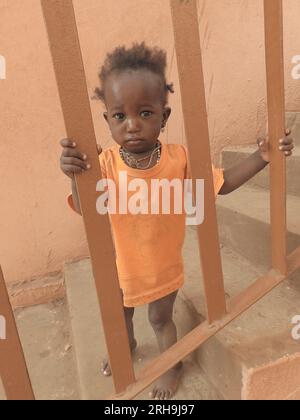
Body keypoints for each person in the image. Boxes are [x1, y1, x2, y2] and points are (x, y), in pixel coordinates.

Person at [60, 42, 294, 400]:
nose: (133, 125)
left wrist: (261, 157)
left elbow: (222, 184)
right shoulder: (104, 163)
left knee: (160, 319)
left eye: (145, 113)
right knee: (121, 317)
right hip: (120, 265)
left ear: (164, 117)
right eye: (120, 116)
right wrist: (74, 176)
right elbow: (86, 207)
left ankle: (173, 366)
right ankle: (127, 348)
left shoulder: (177, 159)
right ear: (107, 120)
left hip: (162, 266)